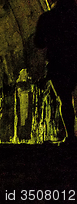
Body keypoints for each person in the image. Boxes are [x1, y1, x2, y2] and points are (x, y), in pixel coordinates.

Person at [35, 0, 77, 143]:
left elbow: (38, 42)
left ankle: (70, 136)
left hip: (58, 63)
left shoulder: (47, 18)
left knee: (65, 100)